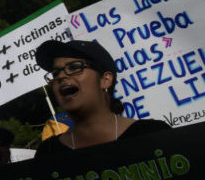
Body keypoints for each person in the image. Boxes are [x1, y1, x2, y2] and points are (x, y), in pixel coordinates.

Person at [33, 39, 169, 158]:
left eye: (74, 67)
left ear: (105, 80)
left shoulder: (153, 134)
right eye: (55, 73)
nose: (61, 76)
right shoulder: (48, 153)